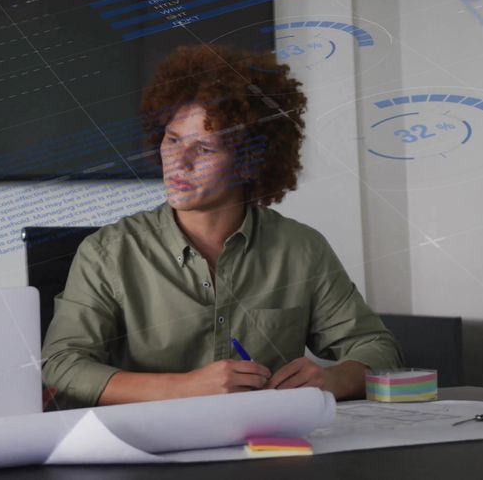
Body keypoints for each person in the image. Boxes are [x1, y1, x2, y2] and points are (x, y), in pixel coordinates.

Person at [41, 44, 403, 409]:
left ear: (250, 162)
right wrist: (185, 388)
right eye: (173, 139)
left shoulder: (301, 248)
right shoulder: (108, 252)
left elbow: (377, 348)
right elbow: (61, 366)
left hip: (265, 450)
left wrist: (331, 379)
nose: (178, 162)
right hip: (150, 452)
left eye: (205, 149)